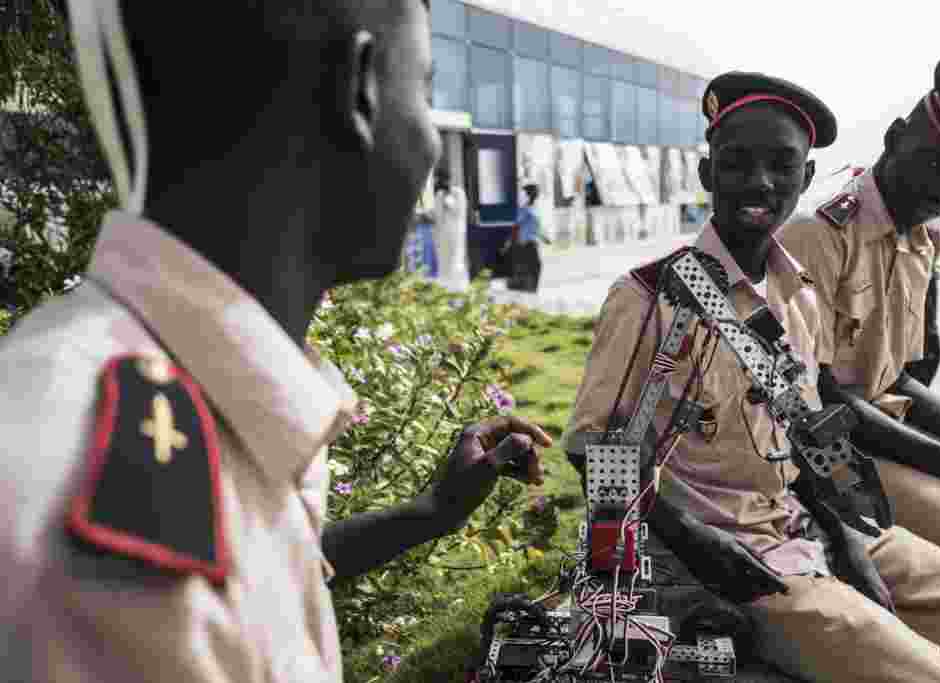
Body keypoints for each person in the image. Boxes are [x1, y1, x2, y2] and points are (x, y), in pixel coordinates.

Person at [0, 2, 552, 682]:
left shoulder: (169, 411)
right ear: (361, 90)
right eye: (428, 90)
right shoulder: (90, 537)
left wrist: (426, 512)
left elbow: (250, 573)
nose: (434, 143)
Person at [564, 70, 940, 683]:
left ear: (805, 178)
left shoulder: (799, 298)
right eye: (737, 164)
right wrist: (694, 538)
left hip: (817, 532)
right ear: (707, 175)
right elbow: (594, 446)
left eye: (782, 165)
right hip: (739, 562)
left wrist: (849, 537)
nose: (761, 183)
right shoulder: (650, 298)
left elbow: (810, 434)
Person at [780, 58, 940, 583]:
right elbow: (816, 399)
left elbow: (898, 379)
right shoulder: (818, 234)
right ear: (894, 138)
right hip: (831, 456)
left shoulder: (924, 234)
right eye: (935, 165)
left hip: (891, 432)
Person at [431, 167, 469, 289]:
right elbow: (437, 215)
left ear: (447, 180)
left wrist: (447, 197)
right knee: (444, 263)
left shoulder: (458, 193)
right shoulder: (439, 195)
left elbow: (458, 211)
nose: (438, 183)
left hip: (455, 233)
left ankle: (458, 289)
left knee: (455, 262)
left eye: (440, 180)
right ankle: (445, 289)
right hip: (442, 234)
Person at [507, 183, 549, 292]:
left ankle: (532, 291)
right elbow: (515, 225)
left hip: (533, 243)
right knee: (532, 268)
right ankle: (529, 291)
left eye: (537, 192)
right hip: (525, 244)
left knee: (535, 267)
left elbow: (535, 228)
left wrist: (544, 237)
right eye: (535, 192)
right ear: (530, 194)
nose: (537, 194)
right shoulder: (524, 210)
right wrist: (512, 242)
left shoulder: (535, 209)